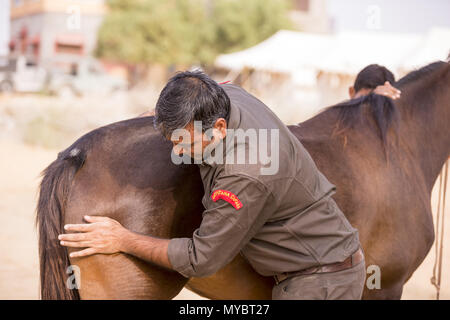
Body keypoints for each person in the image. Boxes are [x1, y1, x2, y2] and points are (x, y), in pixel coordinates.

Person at [59, 70, 368, 300]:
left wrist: (123, 239)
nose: (178, 152)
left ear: (219, 128)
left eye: (186, 143)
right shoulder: (224, 96)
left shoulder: (245, 173)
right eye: (173, 140)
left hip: (320, 282)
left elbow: (201, 259)